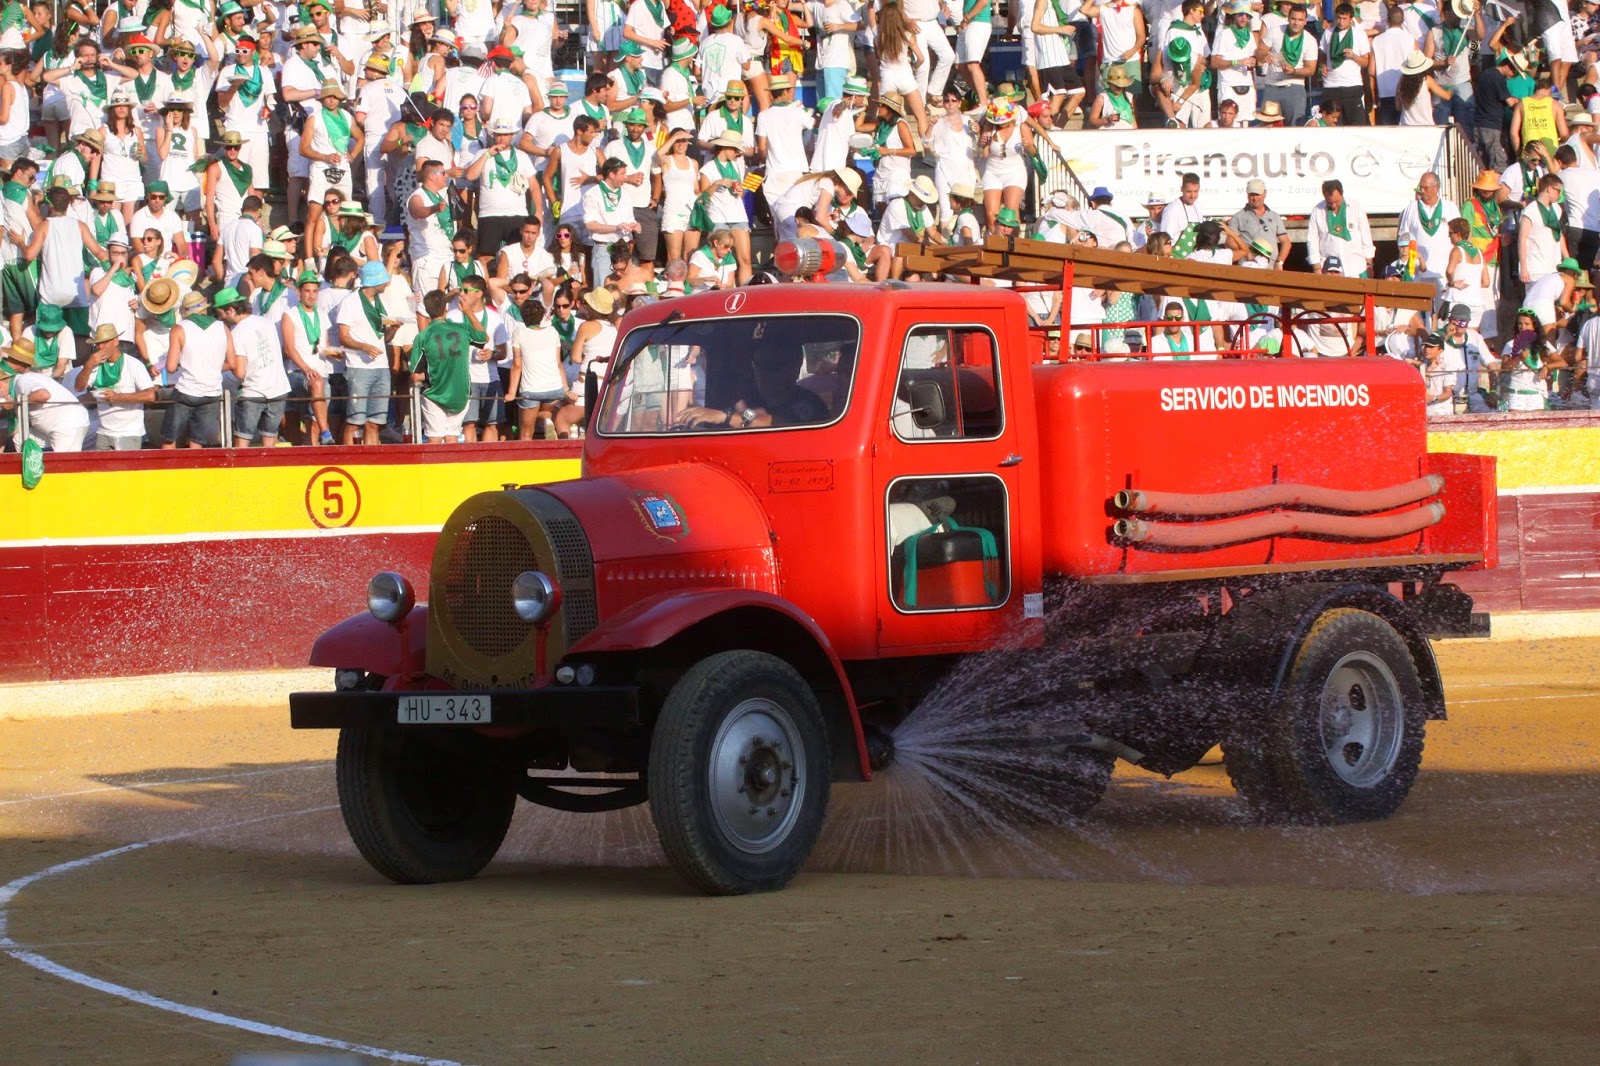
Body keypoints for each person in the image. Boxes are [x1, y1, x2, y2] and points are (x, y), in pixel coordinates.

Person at [215, 286, 290, 448]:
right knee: (269, 442)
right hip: (278, 388)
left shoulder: (237, 333)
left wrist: (216, 368)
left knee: (242, 442)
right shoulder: (266, 322)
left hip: (254, 391)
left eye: (220, 314)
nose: (220, 319)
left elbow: (240, 372)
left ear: (230, 311)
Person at [334, 259, 395, 445]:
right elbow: (343, 337)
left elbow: (384, 337)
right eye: (384, 280)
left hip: (381, 367)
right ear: (374, 281)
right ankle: (350, 461)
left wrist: (394, 330)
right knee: (354, 422)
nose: (387, 283)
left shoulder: (379, 302)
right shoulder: (350, 302)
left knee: (374, 423)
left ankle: (373, 464)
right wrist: (364, 347)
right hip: (359, 368)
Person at [162, 290, 232, 449]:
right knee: (197, 441)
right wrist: (209, 367)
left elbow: (171, 367)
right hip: (212, 391)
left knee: (170, 439)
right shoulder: (223, 327)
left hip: (187, 390)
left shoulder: (179, 328)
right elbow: (232, 362)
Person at [406, 288, 473, 443]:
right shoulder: (462, 329)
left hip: (435, 392)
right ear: (446, 308)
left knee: (434, 439)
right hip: (460, 392)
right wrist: (468, 312)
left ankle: (432, 468)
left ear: (427, 312)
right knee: (452, 438)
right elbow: (482, 337)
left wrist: (432, 374)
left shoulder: (423, 336)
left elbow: (415, 375)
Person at [2, 337, 90, 451]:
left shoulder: (24, 380)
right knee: (19, 439)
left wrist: (16, 403)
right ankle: (28, 466)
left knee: (63, 464)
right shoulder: (31, 377)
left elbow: (43, 395)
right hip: (56, 424)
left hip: (66, 424)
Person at [74, 323, 153, 450]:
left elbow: (150, 395)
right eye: (98, 344)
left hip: (129, 432)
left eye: (105, 342)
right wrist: (88, 365)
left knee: (126, 469)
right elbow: (79, 387)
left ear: (116, 341)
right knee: (102, 470)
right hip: (103, 432)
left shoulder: (133, 364)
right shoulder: (96, 364)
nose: (101, 347)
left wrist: (117, 397)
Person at [508, 298, 566, 441]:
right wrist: (566, 389)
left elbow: (517, 365)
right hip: (555, 389)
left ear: (523, 316)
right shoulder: (552, 331)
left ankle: (524, 461)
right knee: (543, 413)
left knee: (526, 432)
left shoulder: (519, 333)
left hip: (531, 390)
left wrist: (511, 392)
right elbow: (558, 363)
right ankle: (546, 418)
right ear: (541, 316)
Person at [1397, 172, 1460, 294]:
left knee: (1442, 312)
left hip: (1443, 271)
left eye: (1426, 188)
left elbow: (1459, 238)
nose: (1422, 191)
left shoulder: (1450, 207)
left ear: (1436, 188)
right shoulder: (1411, 208)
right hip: (1417, 271)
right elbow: (1403, 238)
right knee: (1418, 311)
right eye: (1421, 187)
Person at [1257, 3, 1317, 127]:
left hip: (1295, 87)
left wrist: (1294, 71)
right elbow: (1259, 51)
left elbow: (1311, 70)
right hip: (1272, 86)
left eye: (1300, 20)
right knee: (1268, 127)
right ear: (1288, 19)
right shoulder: (1275, 31)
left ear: (1305, 21)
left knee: (1294, 127)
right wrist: (1264, 56)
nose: (1296, 22)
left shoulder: (1310, 40)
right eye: (1293, 18)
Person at [1307, 179, 1374, 277]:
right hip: (1330, 269)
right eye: (1329, 202)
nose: (1333, 205)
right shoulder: (1317, 211)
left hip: (1356, 268)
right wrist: (1316, 267)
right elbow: (1312, 240)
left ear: (1342, 194)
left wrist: (1369, 263)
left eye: (1336, 201)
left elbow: (1366, 235)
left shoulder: (1356, 207)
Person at [1320, 3, 1370, 126]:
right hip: (1331, 86)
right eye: (1338, 18)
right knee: (1334, 128)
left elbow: (1366, 62)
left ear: (1351, 18)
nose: (1341, 22)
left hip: (1352, 86)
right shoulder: (1328, 33)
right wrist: (1322, 66)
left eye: (1344, 18)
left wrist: (1353, 56)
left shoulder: (1359, 34)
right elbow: (1322, 54)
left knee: (1356, 127)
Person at [1519, 173, 1569, 287]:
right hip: (1536, 267)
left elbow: (1559, 234)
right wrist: (1523, 267)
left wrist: (1567, 258)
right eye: (1558, 191)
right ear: (1549, 189)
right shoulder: (1530, 211)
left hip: (1554, 265)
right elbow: (1522, 239)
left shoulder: (1556, 209)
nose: (1559, 195)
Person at [1230, 178, 1290, 268]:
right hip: (1248, 267)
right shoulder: (1238, 217)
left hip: (1271, 269)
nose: (1255, 198)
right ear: (1247, 195)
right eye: (1252, 195)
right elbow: (1229, 242)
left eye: (1257, 194)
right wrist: (1246, 253)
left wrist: (1279, 262)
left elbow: (1286, 242)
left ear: (1265, 193)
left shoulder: (1275, 216)